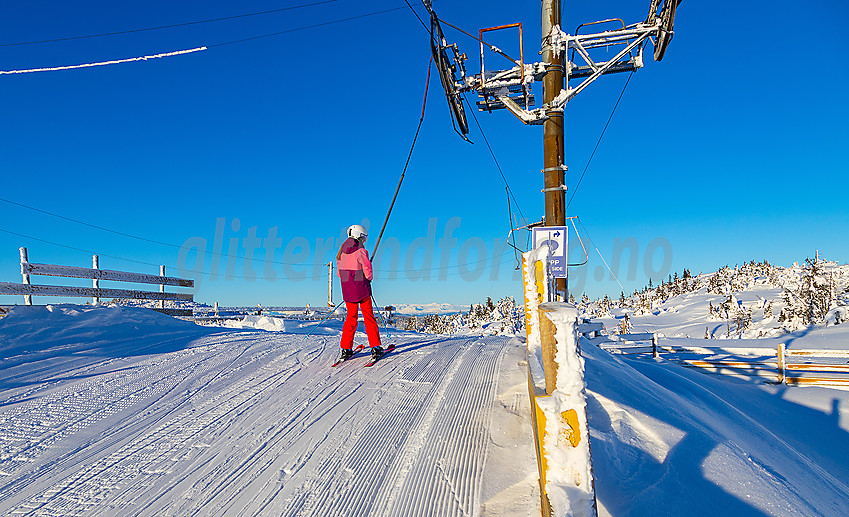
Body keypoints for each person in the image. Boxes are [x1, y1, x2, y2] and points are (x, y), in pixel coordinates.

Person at [336, 224, 383, 361]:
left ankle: (346, 349)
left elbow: (340, 274)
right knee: (369, 318)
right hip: (362, 290)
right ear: (360, 236)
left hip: (348, 292)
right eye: (364, 238)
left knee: (351, 318)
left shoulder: (341, 253)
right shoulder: (361, 251)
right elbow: (368, 271)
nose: (364, 241)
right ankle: (375, 347)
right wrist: (368, 278)